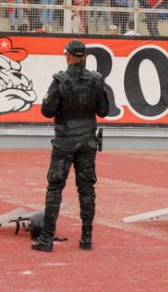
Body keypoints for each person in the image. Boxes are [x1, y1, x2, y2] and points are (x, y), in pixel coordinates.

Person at [32, 40, 110, 252]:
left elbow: (47, 111)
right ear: (84, 57)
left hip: (65, 141)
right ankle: (86, 238)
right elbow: (104, 111)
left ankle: (46, 239)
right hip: (87, 141)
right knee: (87, 188)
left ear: (68, 56)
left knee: (55, 188)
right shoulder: (96, 80)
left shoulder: (60, 80)